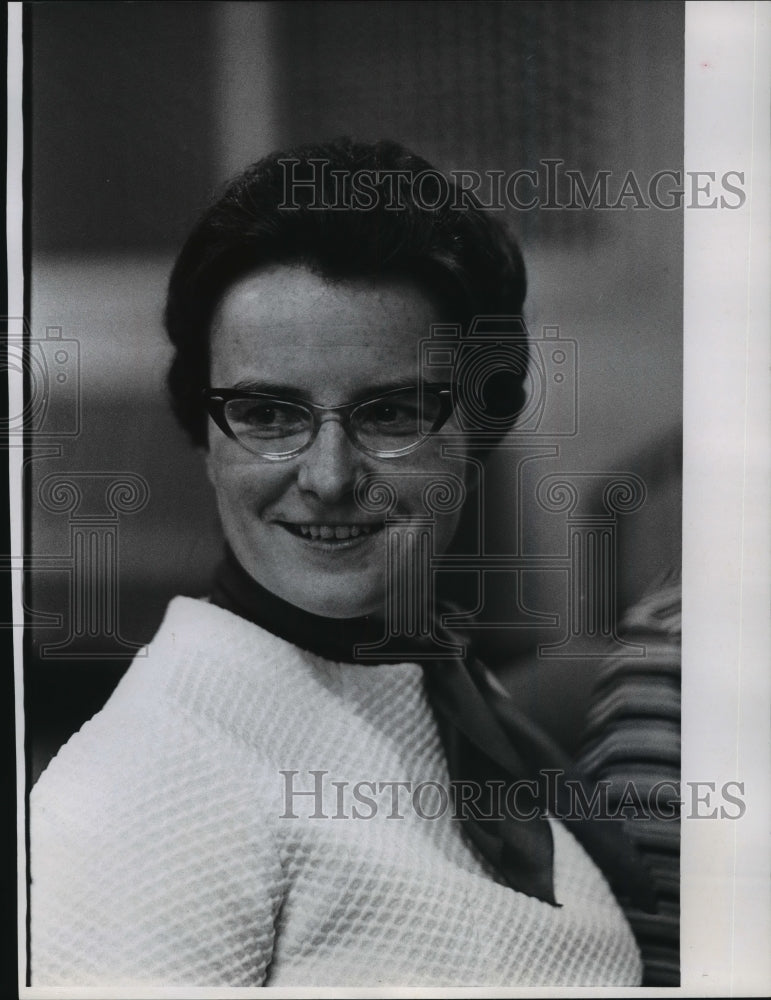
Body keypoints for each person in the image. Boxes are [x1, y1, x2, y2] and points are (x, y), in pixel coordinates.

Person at [29, 138, 650, 987]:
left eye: (391, 412)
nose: (326, 478)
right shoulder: (147, 792)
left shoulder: (453, 699)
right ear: (205, 436)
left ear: (481, 427)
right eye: (267, 413)